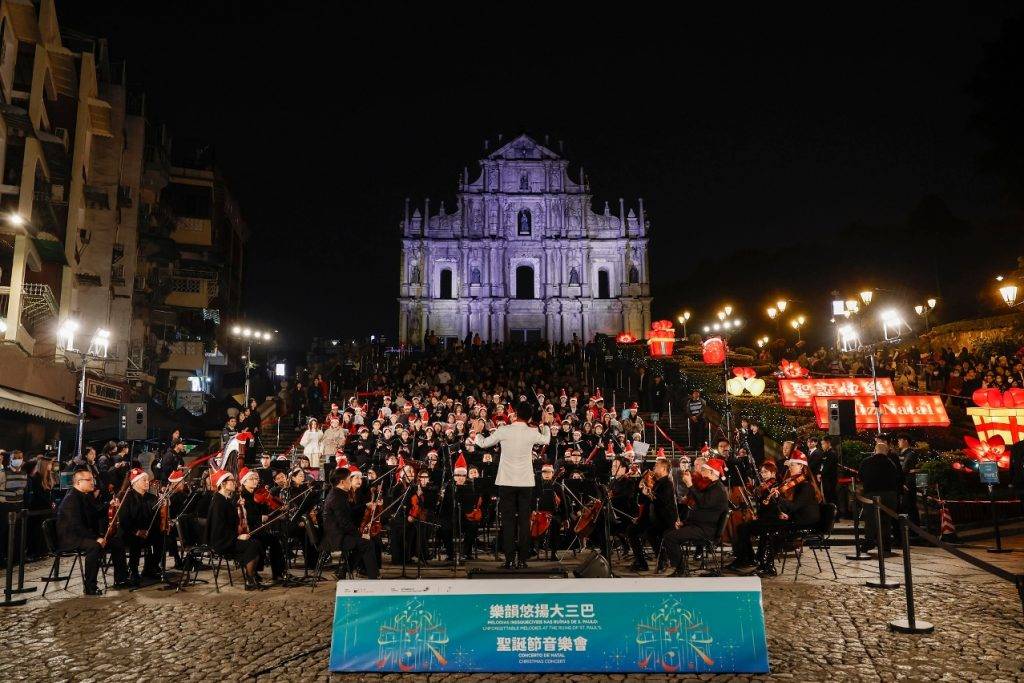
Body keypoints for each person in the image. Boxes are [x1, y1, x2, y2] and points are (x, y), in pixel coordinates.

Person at [473, 401, 551, 569]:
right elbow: (546, 439)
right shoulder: (532, 432)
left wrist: (477, 433)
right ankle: (522, 560)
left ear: (515, 414)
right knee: (524, 521)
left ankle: (509, 560)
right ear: (529, 416)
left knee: (507, 522)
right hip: (525, 482)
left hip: (506, 482)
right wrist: (545, 424)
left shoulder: (504, 430)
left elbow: (483, 443)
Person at [661, 458, 729, 576]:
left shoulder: (718, 489)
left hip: (706, 530)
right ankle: (680, 567)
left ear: (712, 472)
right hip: (699, 526)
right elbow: (699, 510)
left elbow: (702, 503)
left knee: (670, 537)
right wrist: (685, 523)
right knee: (668, 533)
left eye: (704, 469)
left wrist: (690, 484)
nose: (701, 472)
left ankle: (680, 569)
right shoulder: (712, 487)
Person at [206, 469, 267, 590]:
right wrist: (238, 537)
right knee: (253, 545)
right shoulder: (218, 502)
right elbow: (219, 528)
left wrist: (238, 506)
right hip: (222, 541)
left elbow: (232, 520)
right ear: (223, 484)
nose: (235, 483)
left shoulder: (225, 499)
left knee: (257, 542)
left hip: (228, 537)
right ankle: (250, 580)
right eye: (232, 481)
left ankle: (252, 576)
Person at [56, 470, 107, 596]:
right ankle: (90, 586)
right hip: (71, 538)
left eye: (92, 479)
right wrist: (96, 538)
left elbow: (95, 513)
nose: (93, 482)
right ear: (79, 482)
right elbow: (76, 526)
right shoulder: (71, 499)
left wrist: (109, 506)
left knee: (116, 541)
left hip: (82, 535)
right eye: (89, 480)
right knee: (94, 546)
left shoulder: (86, 495)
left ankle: (121, 578)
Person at [322, 467, 379, 579]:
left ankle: (342, 573)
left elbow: (349, 513)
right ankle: (374, 578)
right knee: (367, 544)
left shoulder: (338, 493)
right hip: (336, 537)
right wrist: (359, 534)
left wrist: (364, 506)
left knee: (363, 543)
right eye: (349, 479)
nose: (351, 481)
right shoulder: (337, 497)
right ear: (342, 482)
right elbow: (344, 523)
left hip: (338, 533)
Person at [858, 442, 902, 554]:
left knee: (870, 520)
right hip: (890, 495)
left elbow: (861, 476)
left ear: (875, 450)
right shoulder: (891, 463)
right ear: (886, 451)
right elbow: (898, 478)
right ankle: (885, 546)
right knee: (886, 521)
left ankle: (869, 542)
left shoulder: (866, 462)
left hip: (871, 494)